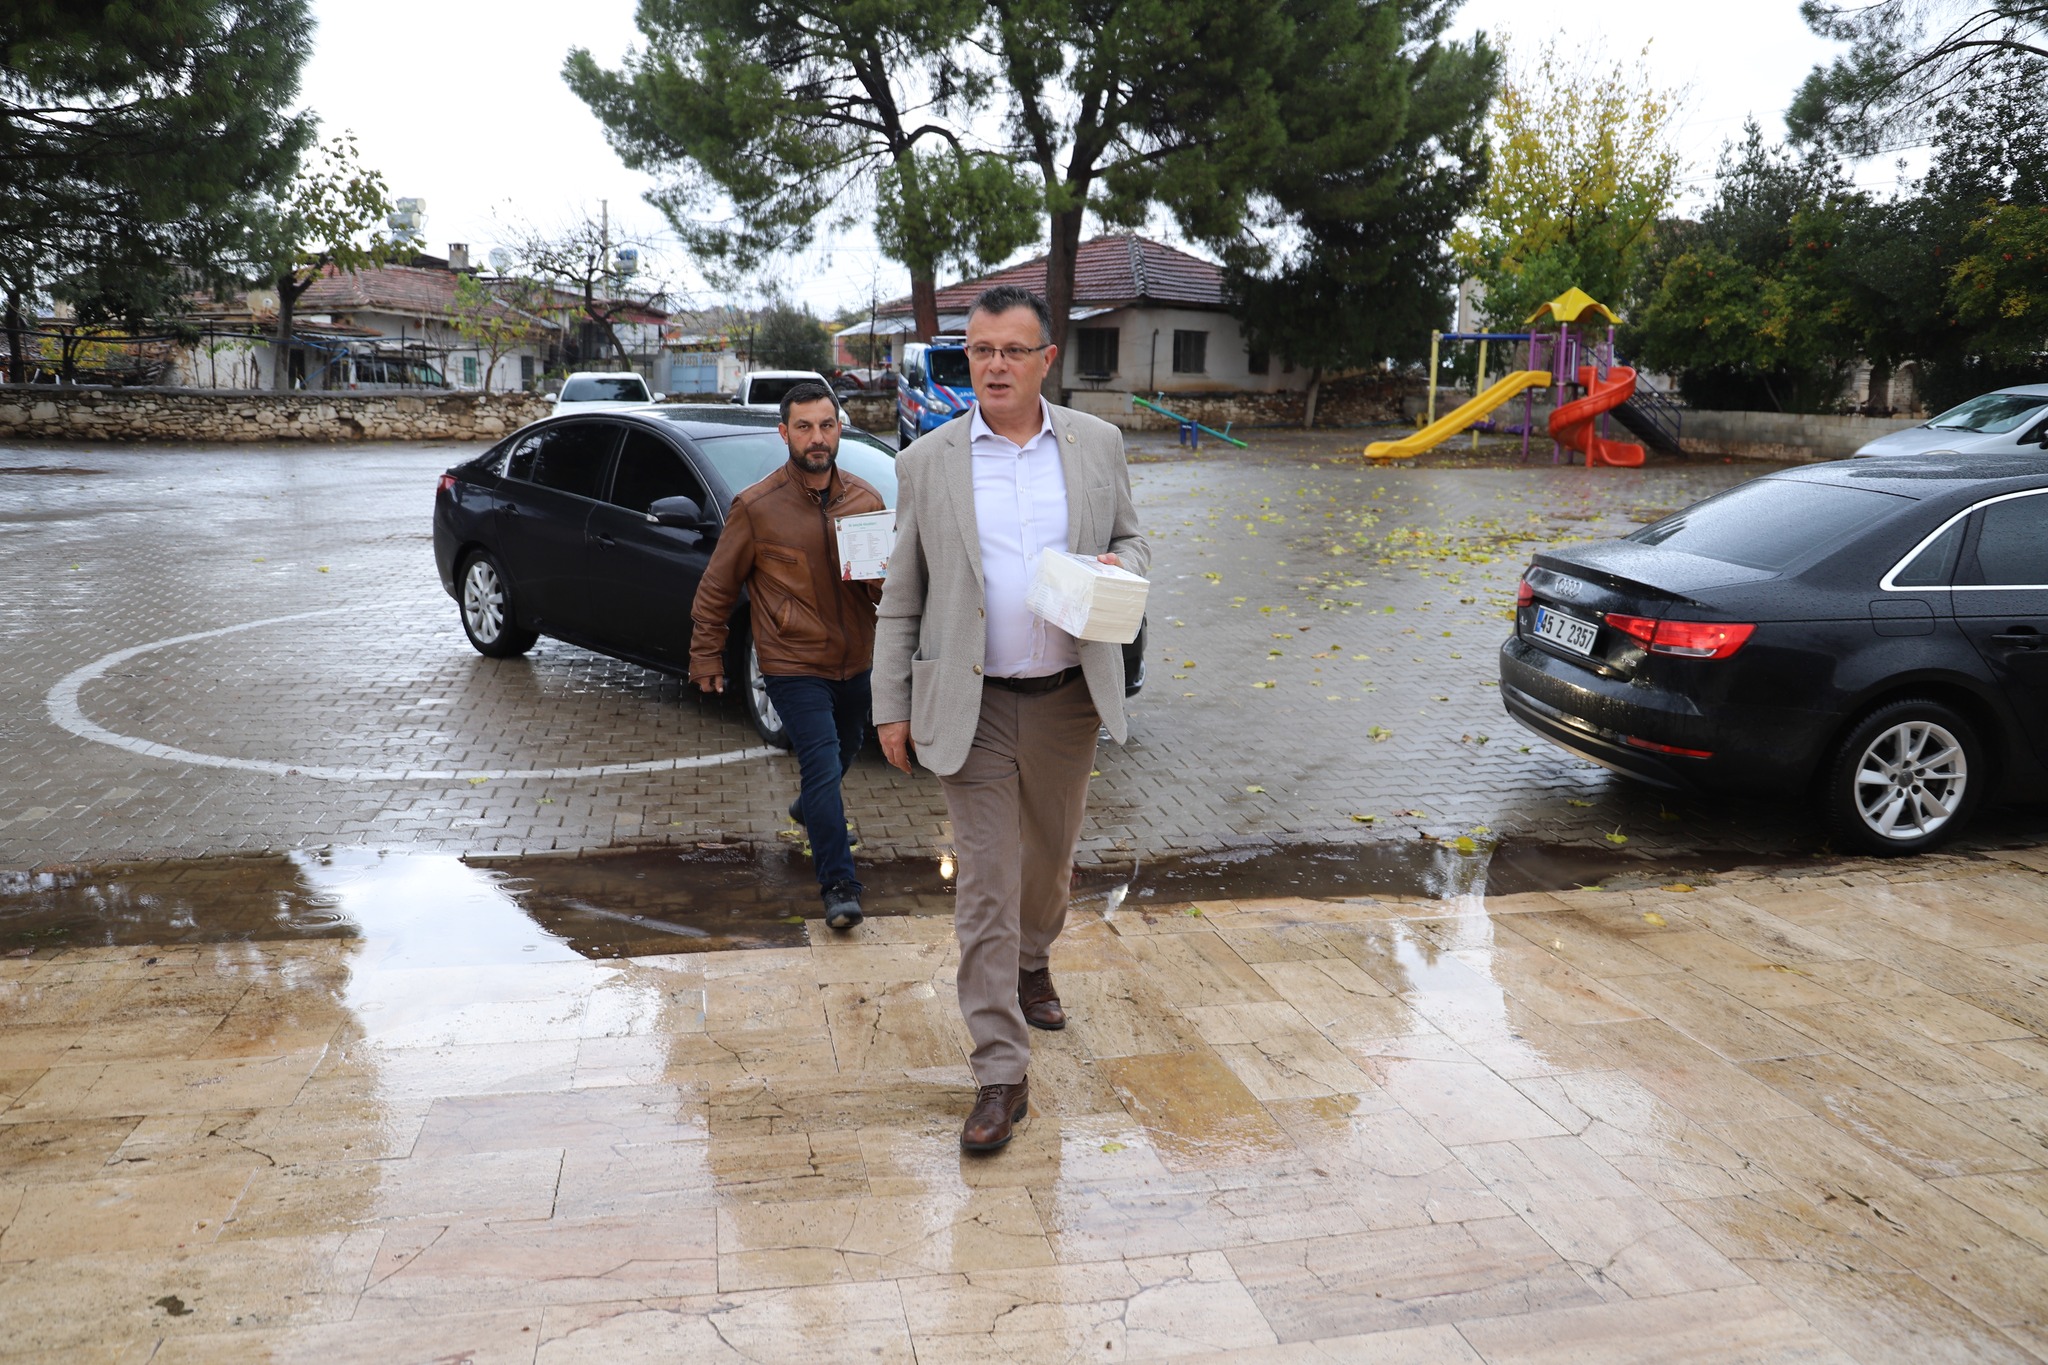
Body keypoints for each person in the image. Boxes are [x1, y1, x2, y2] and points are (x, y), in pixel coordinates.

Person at [873, 284, 1149, 1152]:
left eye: (1010, 351)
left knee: (1049, 870)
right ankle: (1001, 1072)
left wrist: (1116, 561)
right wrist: (889, 705)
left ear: (1044, 360)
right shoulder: (929, 460)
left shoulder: (1097, 445)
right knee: (985, 886)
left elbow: (1137, 541)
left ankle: (1035, 958)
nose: (992, 365)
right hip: (973, 703)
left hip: (1069, 699)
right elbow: (901, 595)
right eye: (979, 350)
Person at [691, 381, 886, 930]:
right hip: (791, 661)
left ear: (839, 429)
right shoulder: (756, 507)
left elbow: (883, 590)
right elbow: (716, 588)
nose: (816, 437)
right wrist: (706, 656)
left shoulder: (866, 501)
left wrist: (884, 582)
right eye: (804, 427)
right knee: (821, 763)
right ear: (785, 434)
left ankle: (809, 809)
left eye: (826, 425)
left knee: (846, 750)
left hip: (857, 659)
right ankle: (839, 886)